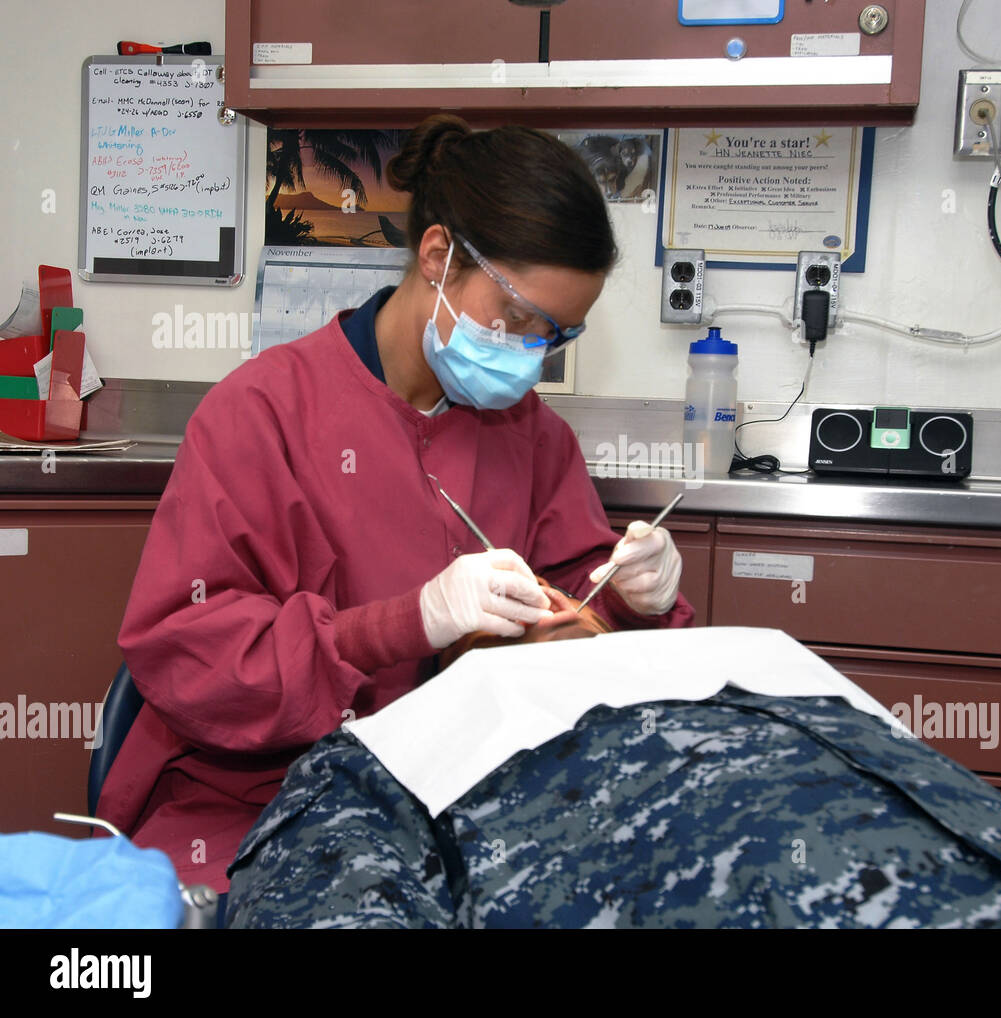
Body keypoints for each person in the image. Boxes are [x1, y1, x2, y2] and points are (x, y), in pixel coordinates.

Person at [97, 114, 694, 894]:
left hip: (470, 794)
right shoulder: (263, 414)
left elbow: (575, 603)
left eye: (554, 337)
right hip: (257, 801)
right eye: (514, 320)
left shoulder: (531, 437)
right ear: (438, 256)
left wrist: (630, 591)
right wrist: (399, 626)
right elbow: (189, 656)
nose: (527, 355)